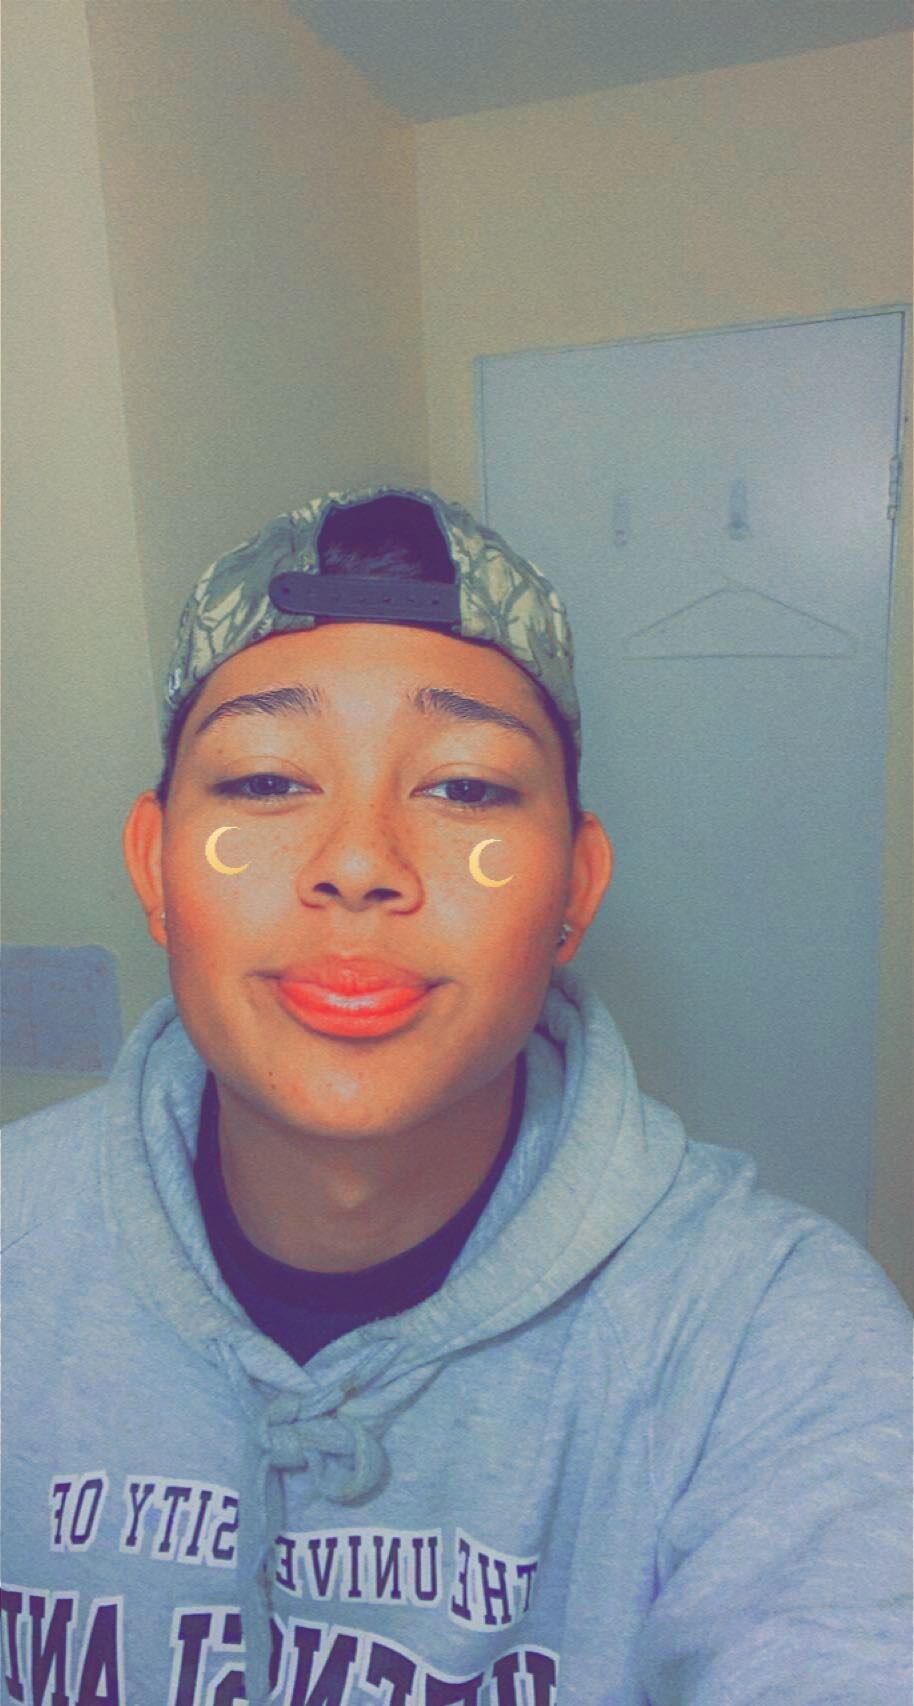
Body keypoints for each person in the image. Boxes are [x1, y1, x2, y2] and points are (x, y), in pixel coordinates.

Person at [1, 486, 910, 1706]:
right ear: (154, 867)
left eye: (466, 788)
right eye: (266, 781)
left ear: (574, 886)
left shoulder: (769, 1343)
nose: (358, 862)